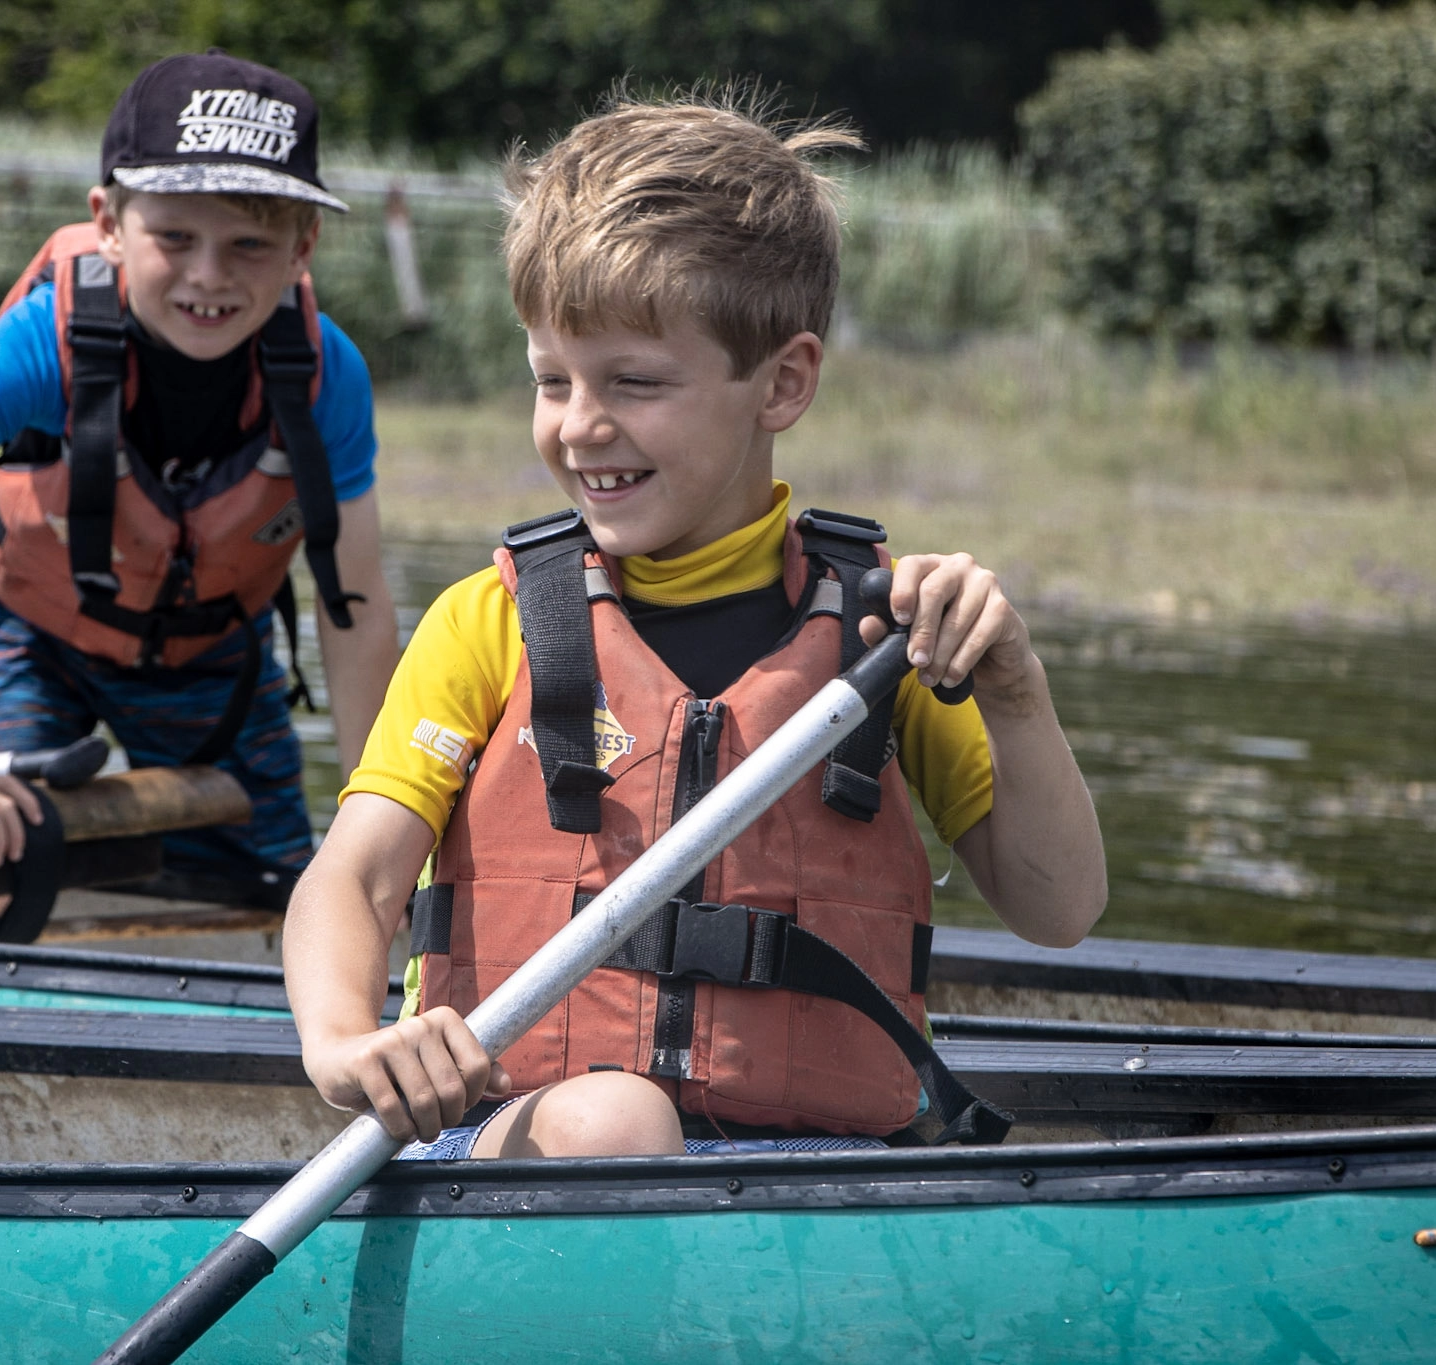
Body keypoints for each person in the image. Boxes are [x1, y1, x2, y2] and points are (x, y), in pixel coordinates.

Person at [282, 95, 1106, 1159]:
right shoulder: (486, 622)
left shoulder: (886, 635)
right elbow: (351, 880)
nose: (580, 425)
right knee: (617, 1120)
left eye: (635, 382)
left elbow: (1058, 908)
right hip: (524, 1144)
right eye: (551, 379)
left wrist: (1012, 689)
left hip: (822, 1175)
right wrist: (344, 1045)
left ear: (783, 383)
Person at [0, 50, 399, 915]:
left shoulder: (327, 375)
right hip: (32, 633)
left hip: (210, 652)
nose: (210, 275)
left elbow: (352, 602)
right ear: (108, 222)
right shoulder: (47, 343)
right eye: (175, 238)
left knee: (284, 895)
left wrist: (375, 823)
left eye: (250, 242)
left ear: (303, 245)